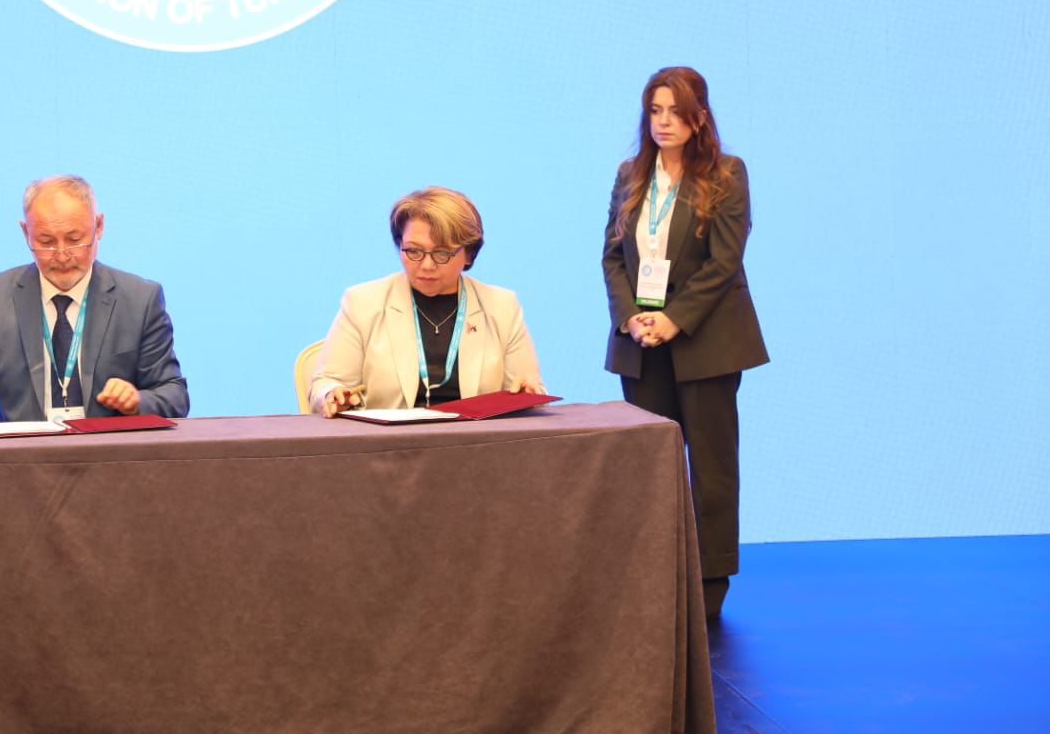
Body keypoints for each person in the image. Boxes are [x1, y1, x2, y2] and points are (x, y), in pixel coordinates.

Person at [602, 66, 767, 620]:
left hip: (706, 340)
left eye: (675, 111)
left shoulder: (725, 173)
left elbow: (725, 261)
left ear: (699, 116)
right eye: (655, 111)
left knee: (712, 465)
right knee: (647, 465)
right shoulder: (631, 174)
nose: (663, 123)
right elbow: (611, 256)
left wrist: (673, 318)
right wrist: (631, 318)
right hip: (641, 343)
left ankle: (709, 581)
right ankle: (650, 571)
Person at [0, 175, 189, 426]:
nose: (62, 254)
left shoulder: (139, 300)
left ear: (99, 226)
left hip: (110, 464)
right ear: (25, 233)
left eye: (74, 239)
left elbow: (174, 396)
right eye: (46, 241)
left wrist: (137, 402)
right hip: (23, 466)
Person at [309, 186, 545, 417]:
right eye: (414, 251)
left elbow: (528, 389)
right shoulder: (363, 302)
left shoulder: (501, 306)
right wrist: (333, 394)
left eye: (442, 253)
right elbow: (326, 384)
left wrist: (528, 395)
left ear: (469, 254)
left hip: (475, 446)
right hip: (389, 447)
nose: (426, 265)